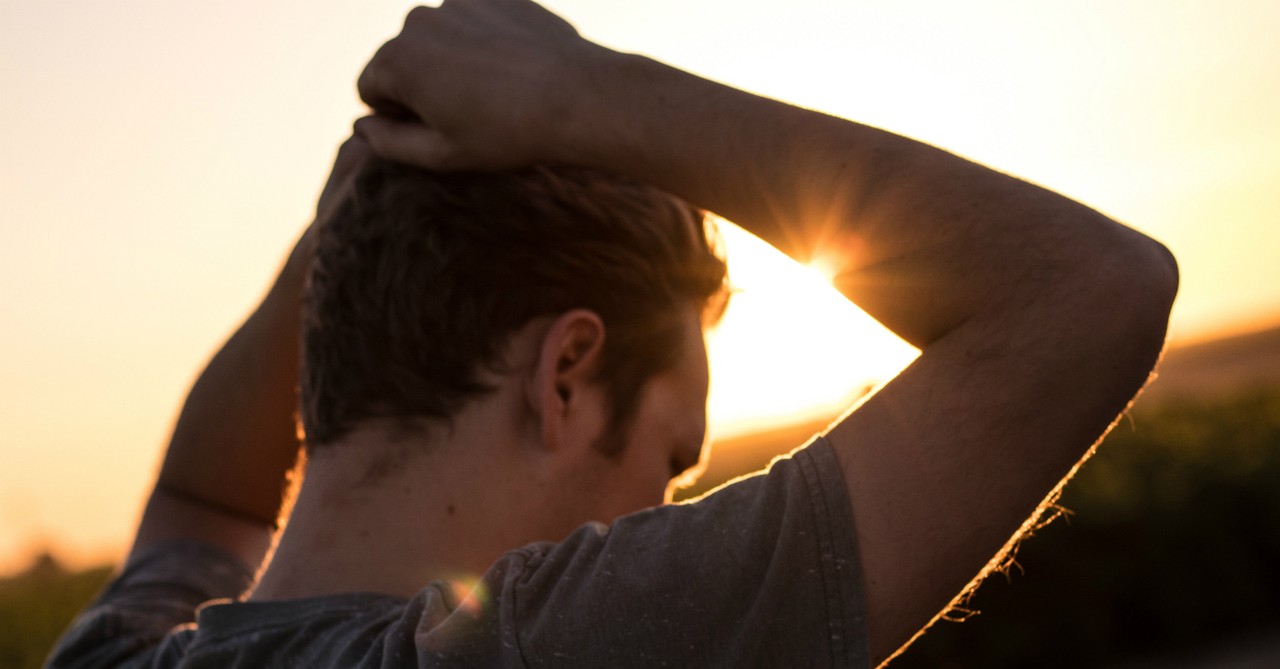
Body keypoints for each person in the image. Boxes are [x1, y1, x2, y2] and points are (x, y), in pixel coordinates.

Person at [47, 1, 1178, 667]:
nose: (667, 511)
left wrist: (361, 201)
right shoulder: (556, 648)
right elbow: (1088, 291)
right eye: (672, 459)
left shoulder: (117, 651)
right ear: (567, 372)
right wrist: (584, 96)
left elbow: (207, 500)